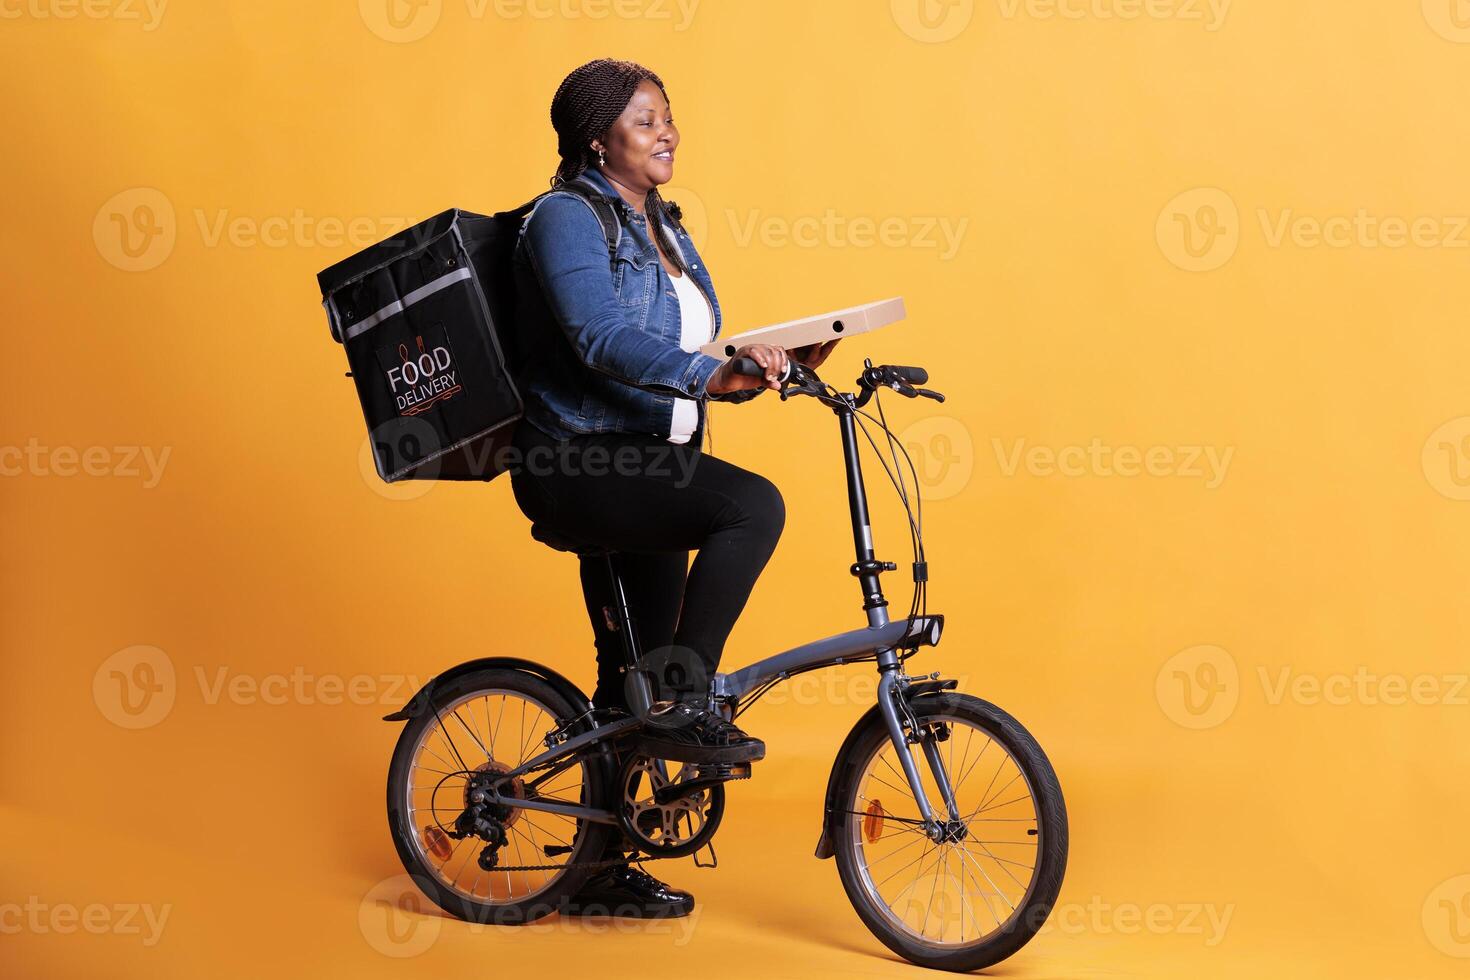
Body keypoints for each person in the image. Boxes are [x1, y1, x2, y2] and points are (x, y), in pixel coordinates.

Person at [506, 58, 838, 918]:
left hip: (646, 462)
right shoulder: (564, 218)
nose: (667, 131)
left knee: (634, 676)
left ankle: (600, 871)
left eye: (669, 116)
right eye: (646, 118)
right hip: (578, 461)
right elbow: (600, 338)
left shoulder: (667, 226)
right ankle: (690, 698)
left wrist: (773, 363)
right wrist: (708, 374)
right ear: (596, 136)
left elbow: (685, 346)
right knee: (751, 505)